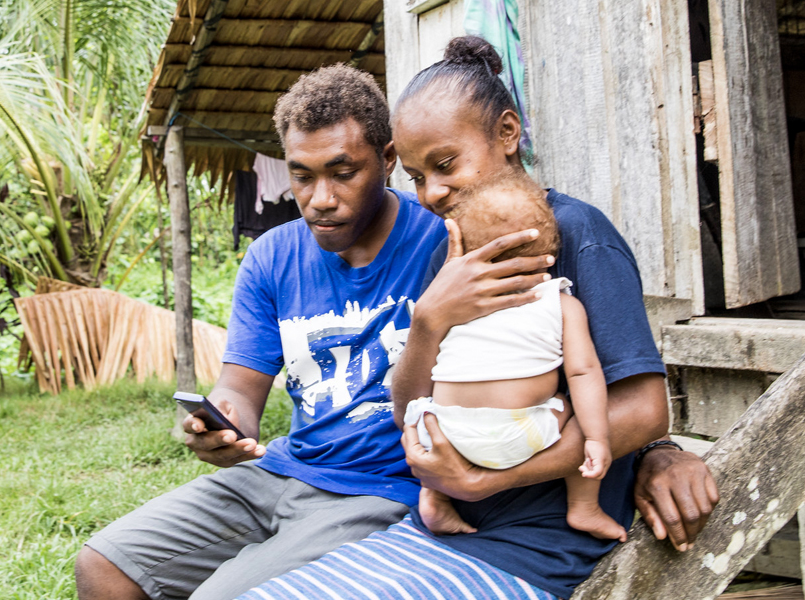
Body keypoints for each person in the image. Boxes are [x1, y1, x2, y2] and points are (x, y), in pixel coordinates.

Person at [75, 55, 716, 600]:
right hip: (415, 499)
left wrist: (657, 452)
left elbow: (632, 396)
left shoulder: (540, 234)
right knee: (103, 563)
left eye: (445, 165)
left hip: (451, 510)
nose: (433, 191)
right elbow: (411, 401)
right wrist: (431, 321)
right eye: (421, 176)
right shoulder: (444, 248)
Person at [403, 177, 628, 542]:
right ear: (548, 253)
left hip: (441, 437)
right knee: (564, 405)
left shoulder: (450, 307)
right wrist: (597, 439)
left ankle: (434, 498)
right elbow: (584, 370)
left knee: (425, 405)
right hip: (519, 435)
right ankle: (584, 506)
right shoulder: (561, 304)